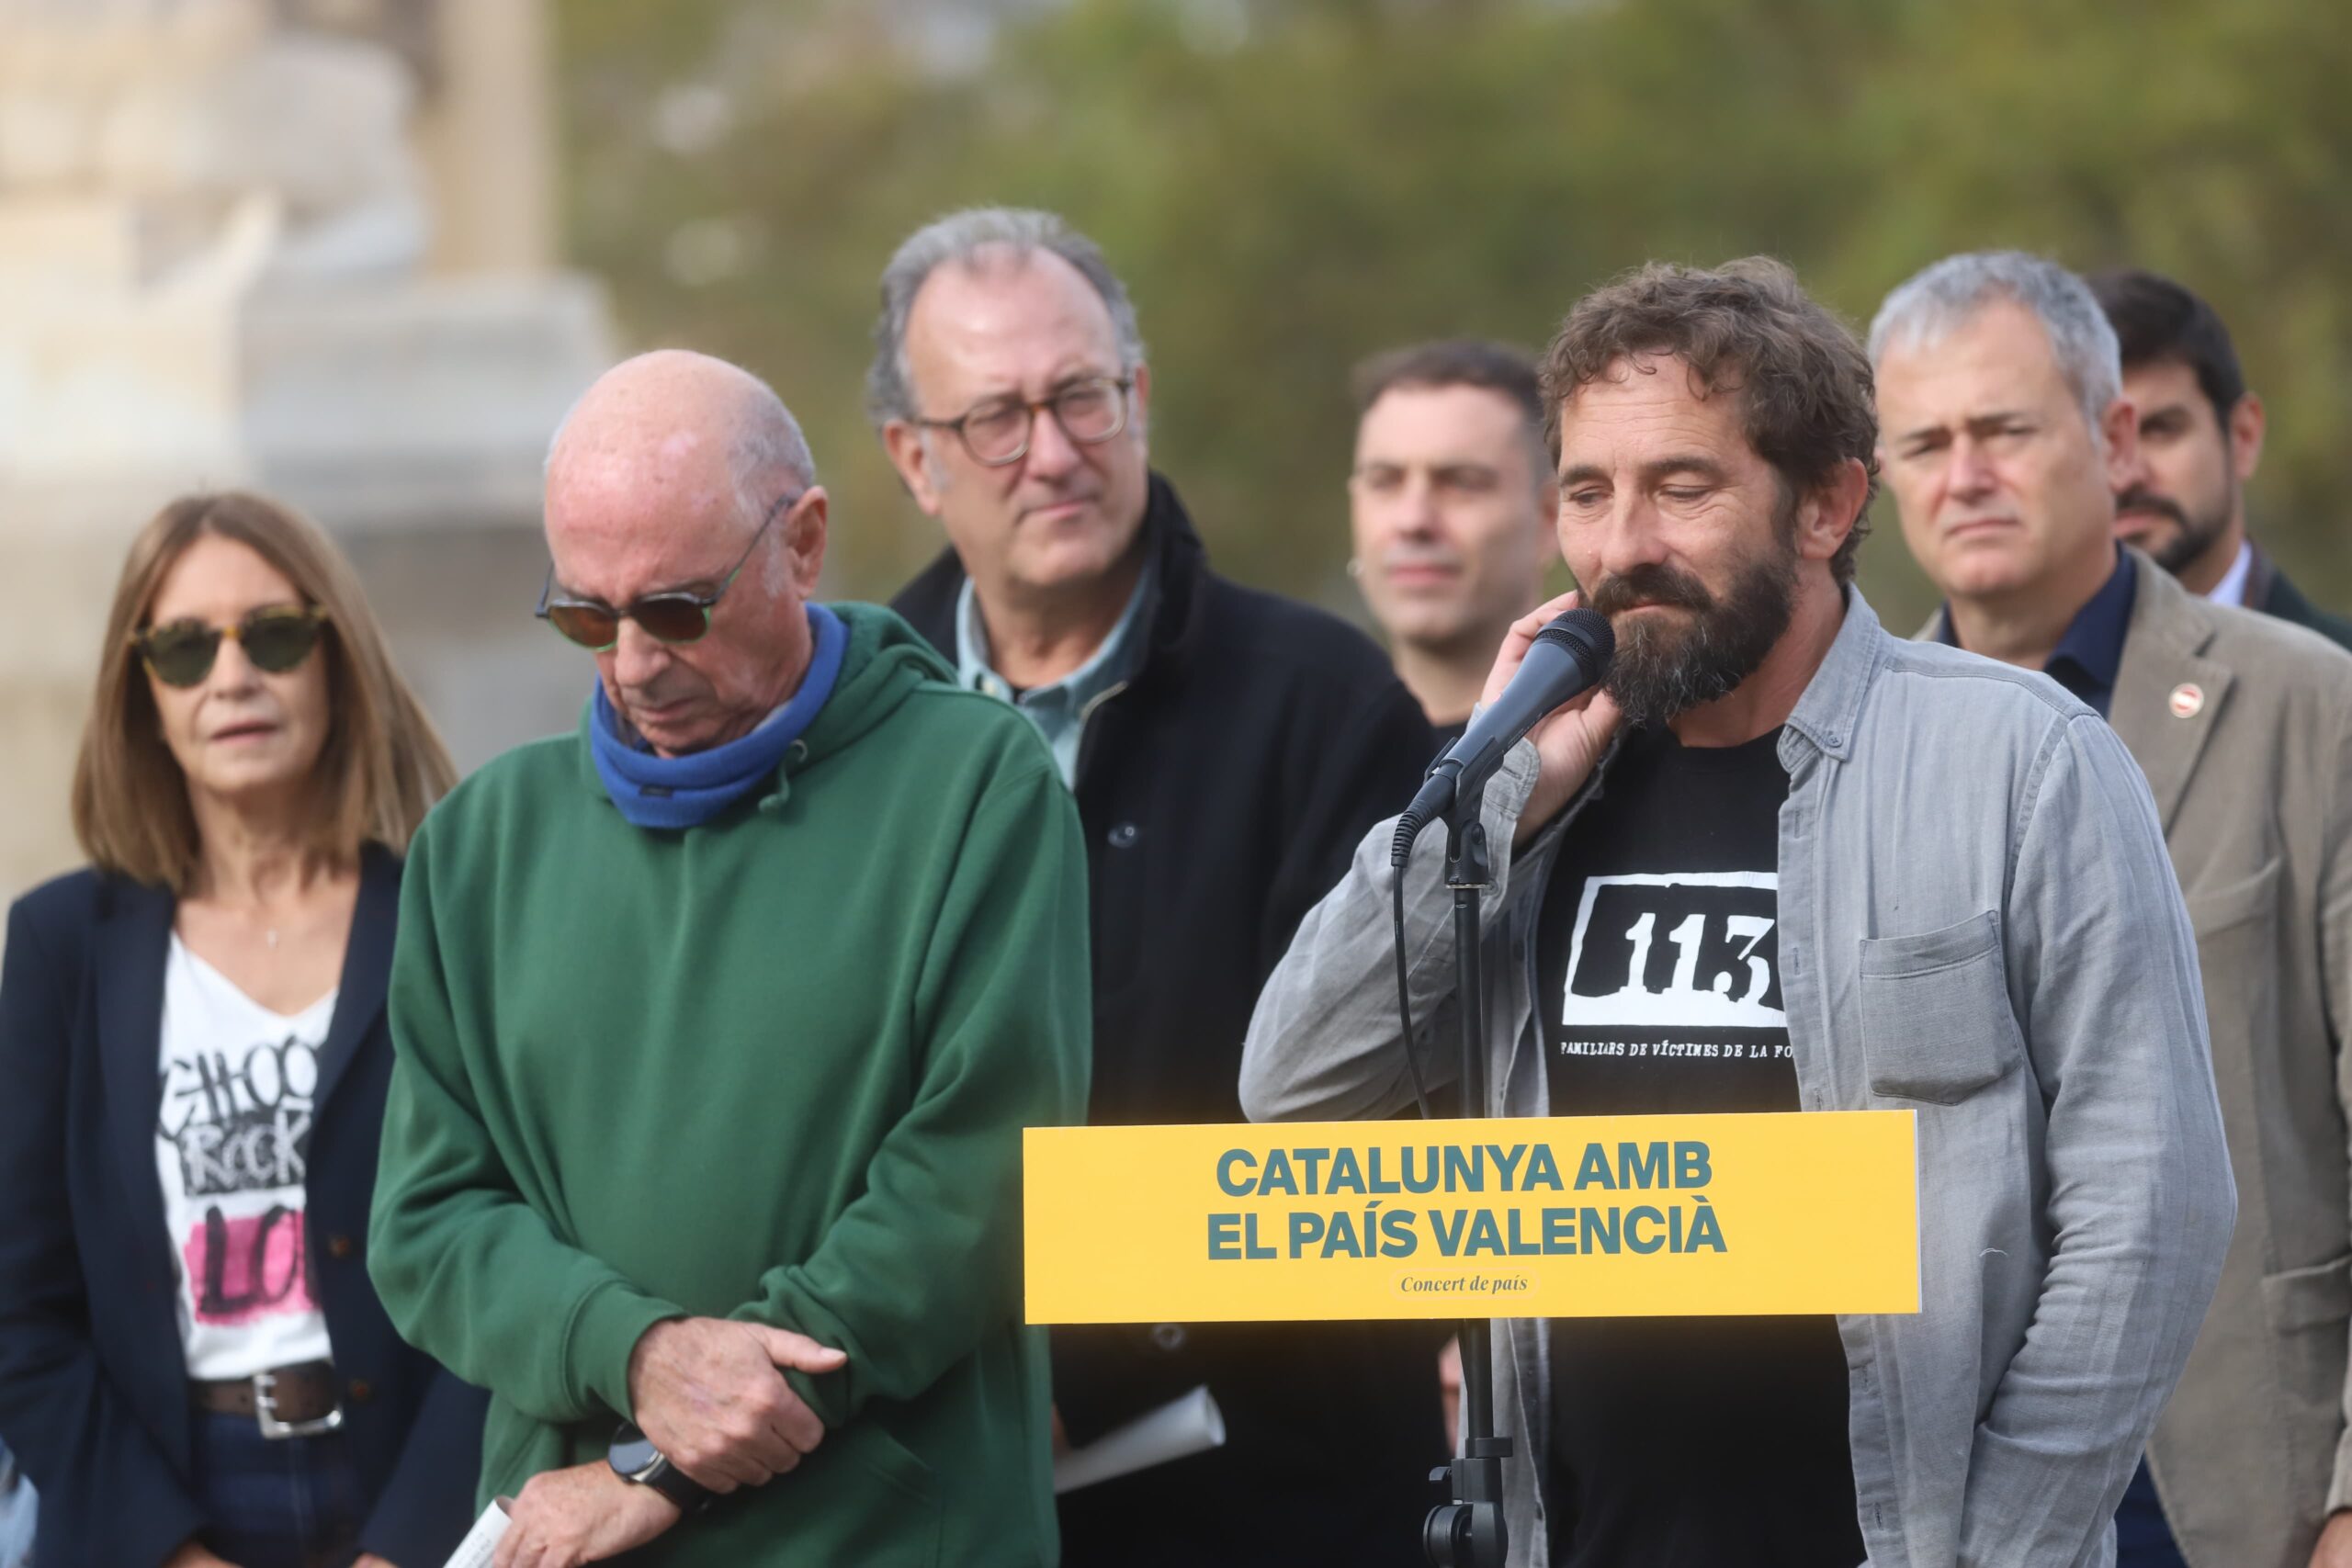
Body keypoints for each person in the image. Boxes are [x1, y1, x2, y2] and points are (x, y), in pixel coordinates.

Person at [1241, 257, 2235, 1568]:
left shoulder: (2022, 759)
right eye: (1589, 493)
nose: (1622, 545)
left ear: (1826, 503)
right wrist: (1494, 796)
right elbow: (1294, 1091)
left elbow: (2149, 1211)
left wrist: (1993, 1551)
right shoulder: (1529, 791)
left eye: (1683, 486)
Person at [366, 349, 1091, 1568]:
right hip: (572, 1531)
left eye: (676, 608)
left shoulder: (975, 783)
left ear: (803, 543)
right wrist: (637, 1353)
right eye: (586, 613)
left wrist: (666, 1462)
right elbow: (429, 1219)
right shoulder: (481, 843)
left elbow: (982, 1184)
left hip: (890, 1534)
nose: (635, 661)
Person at [875, 208, 1444, 1567]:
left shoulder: (1325, 705)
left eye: (1082, 397)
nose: (1056, 453)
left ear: (1139, 396)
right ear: (914, 458)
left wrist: (1075, 1370)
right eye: (998, 418)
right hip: (913, 1490)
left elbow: (1349, 1120)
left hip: (1268, 1499)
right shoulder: (848, 732)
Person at [1873, 249, 2352, 1568]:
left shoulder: (2312, 705)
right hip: (1952, 1497)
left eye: (2004, 429)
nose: (1964, 473)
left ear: (2112, 433)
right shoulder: (1845, 750)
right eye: (1924, 440)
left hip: (2246, 1487)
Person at [0, 491, 483, 1568]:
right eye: (182, 648)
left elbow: (509, 1249)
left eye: (272, 634)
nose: (232, 677)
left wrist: (409, 1547)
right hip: (160, 1507)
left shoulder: (446, 926)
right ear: (142, 692)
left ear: (335, 659)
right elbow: (20, 1316)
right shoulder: (60, 947)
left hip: (416, 1498)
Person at [2087, 265, 2352, 650]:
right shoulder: (2007, 690)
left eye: (2161, 429)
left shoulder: (2341, 684)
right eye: (2104, 441)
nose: (2129, 476)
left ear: (2243, 437)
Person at [1348, 340, 1558, 742]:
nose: (1413, 521)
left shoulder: (1612, 760)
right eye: (1385, 482)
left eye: (1462, 484)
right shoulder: (1302, 752)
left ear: (1550, 518)